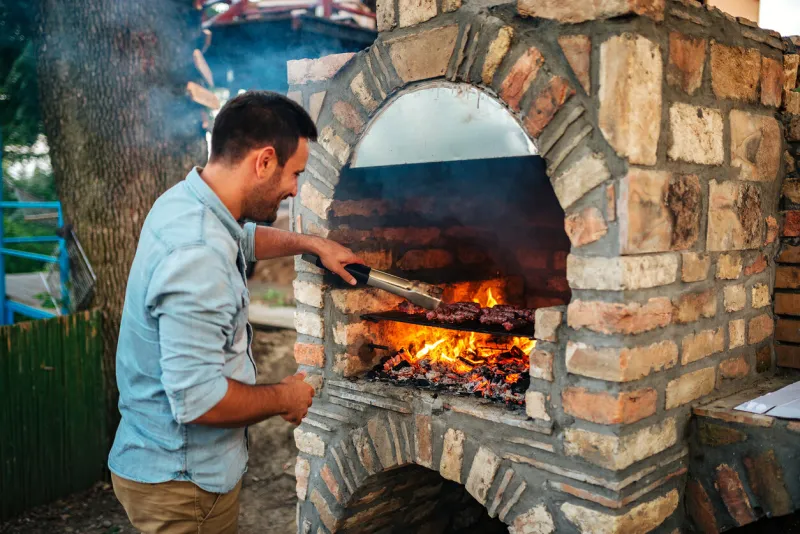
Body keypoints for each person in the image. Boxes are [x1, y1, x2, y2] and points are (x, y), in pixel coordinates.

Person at [108, 91, 362, 533]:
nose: (294, 190)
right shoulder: (198, 255)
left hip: (160, 466)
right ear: (264, 161)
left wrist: (311, 244)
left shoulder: (189, 202)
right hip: (183, 487)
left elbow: (241, 238)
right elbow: (197, 399)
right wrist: (284, 396)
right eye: (295, 174)